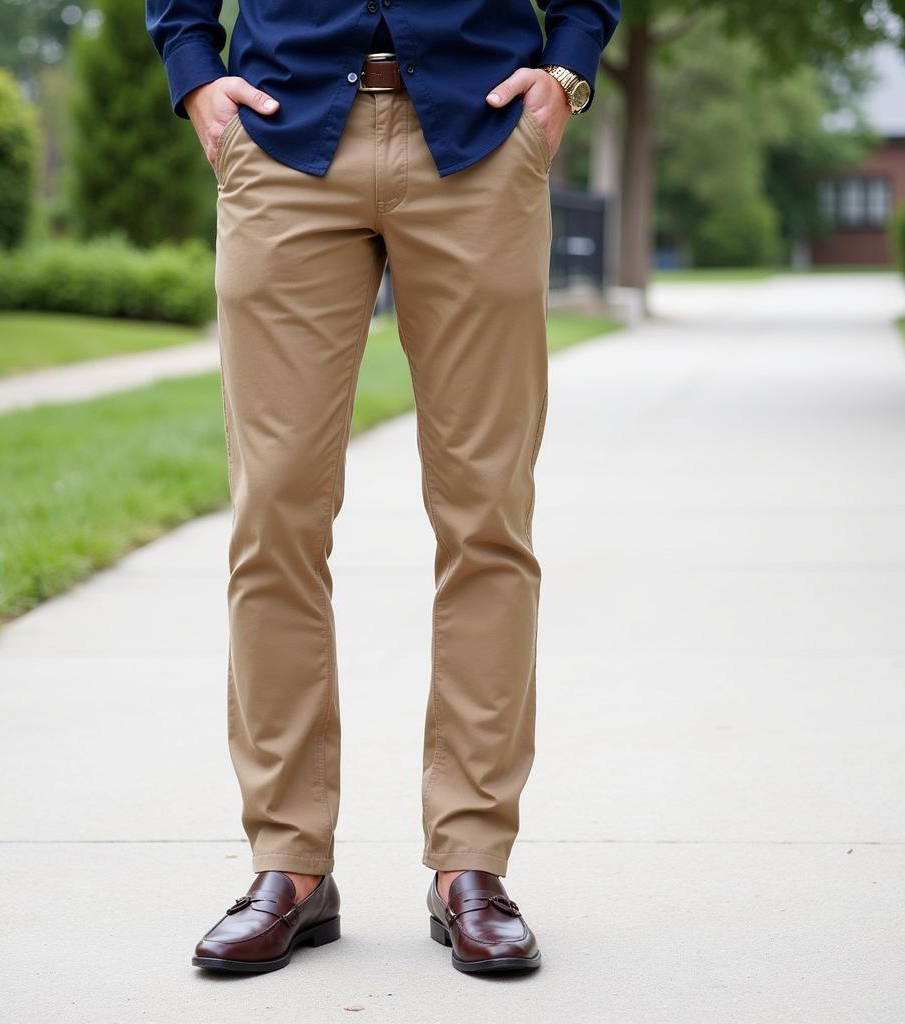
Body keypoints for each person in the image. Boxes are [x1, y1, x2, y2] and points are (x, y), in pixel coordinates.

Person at [145, 0, 619, 976]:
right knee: (274, 513)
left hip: (480, 138)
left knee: (486, 518)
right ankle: (289, 865)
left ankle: (471, 864)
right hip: (279, 139)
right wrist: (193, 71)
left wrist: (565, 71)